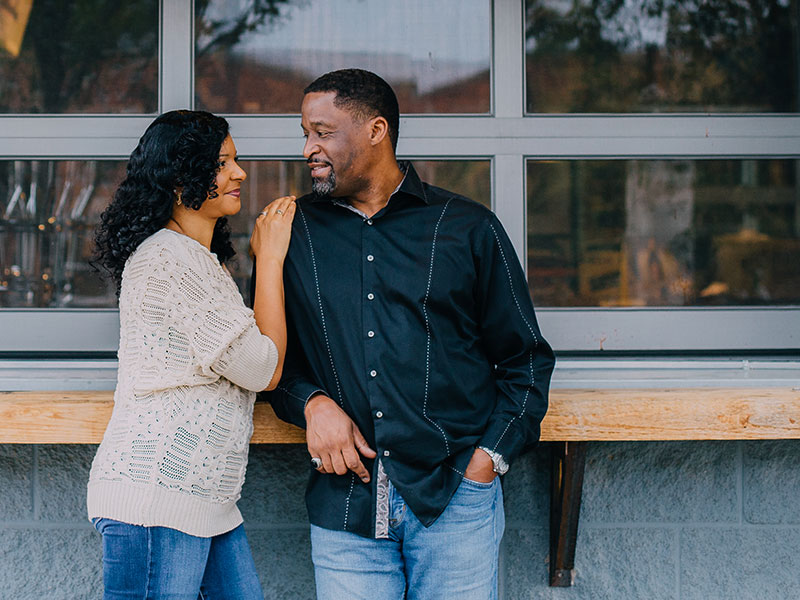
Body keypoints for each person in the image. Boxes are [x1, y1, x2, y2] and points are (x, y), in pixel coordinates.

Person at [265, 69, 555, 599]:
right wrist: (311, 404)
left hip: (455, 501)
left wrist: (487, 461)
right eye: (305, 133)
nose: (309, 148)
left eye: (323, 132)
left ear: (376, 130)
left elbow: (526, 361)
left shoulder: (468, 227)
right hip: (345, 508)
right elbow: (270, 361)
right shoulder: (292, 232)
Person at [87, 109, 296, 599]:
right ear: (182, 179)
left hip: (205, 502)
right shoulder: (169, 259)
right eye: (223, 163)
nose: (239, 173)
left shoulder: (197, 261)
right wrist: (270, 261)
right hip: (156, 500)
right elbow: (262, 368)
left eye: (235, 161)